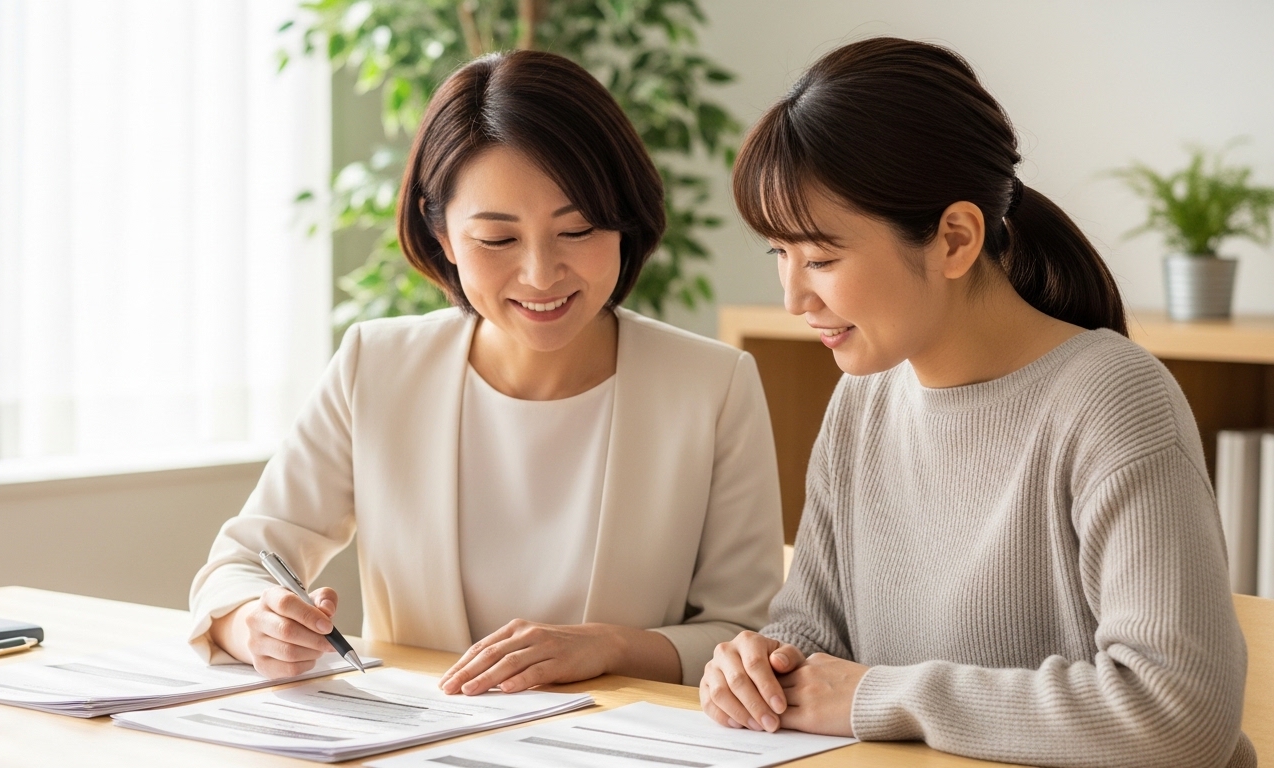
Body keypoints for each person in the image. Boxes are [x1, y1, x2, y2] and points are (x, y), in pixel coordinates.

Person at [700, 37, 1253, 768]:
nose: (794, 297)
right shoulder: (861, 401)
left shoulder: (1112, 399)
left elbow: (1179, 712)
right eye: (780, 255)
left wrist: (882, 697)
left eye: (823, 259)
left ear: (955, 239)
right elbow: (815, 642)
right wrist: (756, 673)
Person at [188, 50, 784, 694]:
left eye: (578, 229)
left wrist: (608, 647)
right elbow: (242, 564)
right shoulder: (377, 366)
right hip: (425, 744)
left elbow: (748, 635)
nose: (540, 274)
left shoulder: (712, 385)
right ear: (440, 234)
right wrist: (256, 623)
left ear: (625, 221)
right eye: (497, 240)